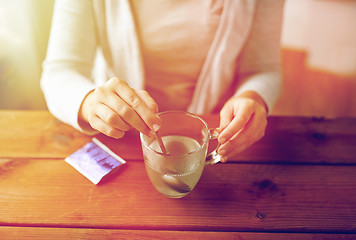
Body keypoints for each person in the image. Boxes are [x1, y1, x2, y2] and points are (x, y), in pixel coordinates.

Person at [41, 0, 285, 162]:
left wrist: (253, 97)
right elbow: (60, 70)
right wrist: (88, 102)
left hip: (216, 136)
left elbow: (263, 69)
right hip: (119, 137)